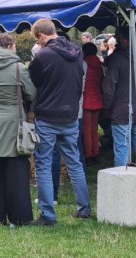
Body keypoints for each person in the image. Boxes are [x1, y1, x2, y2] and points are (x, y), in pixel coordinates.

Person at [29, 19, 91, 225]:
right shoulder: (77, 52)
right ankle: (84, 208)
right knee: (74, 162)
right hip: (71, 114)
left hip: (47, 115)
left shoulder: (42, 56)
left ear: (41, 36)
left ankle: (48, 215)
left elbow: (34, 83)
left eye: (37, 40)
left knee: (44, 164)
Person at [0, 34, 36, 227]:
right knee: (16, 173)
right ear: (10, 45)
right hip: (13, 123)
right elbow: (31, 93)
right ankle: (19, 218)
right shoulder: (19, 68)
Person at [102, 25, 136, 168]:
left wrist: (108, 107)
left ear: (124, 40)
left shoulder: (117, 59)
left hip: (121, 111)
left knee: (122, 150)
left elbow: (108, 88)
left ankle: (121, 185)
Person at [82, 42, 103, 164]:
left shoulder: (85, 64)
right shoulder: (99, 64)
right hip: (97, 99)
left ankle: (88, 155)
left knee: (86, 130)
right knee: (94, 129)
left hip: (87, 100)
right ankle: (96, 152)